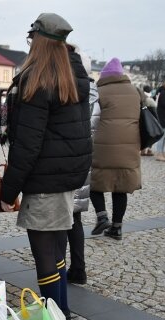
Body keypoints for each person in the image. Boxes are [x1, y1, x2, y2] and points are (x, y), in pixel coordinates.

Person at [0, 13, 91, 320]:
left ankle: (57, 318)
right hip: (65, 178)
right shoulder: (71, 75)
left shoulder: (38, 80)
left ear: (37, 41)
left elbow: (28, 145)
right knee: (55, 252)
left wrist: (8, 189)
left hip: (44, 179)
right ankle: (61, 312)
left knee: (45, 255)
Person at [89, 57, 141, 241]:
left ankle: (102, 216)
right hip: (129, 147)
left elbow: (91, 120)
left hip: (102, 146)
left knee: (95, 182)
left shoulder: (98, 91)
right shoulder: (135, 92)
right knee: (121, 188)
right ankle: (117, 228)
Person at [66, 47, 96, 285]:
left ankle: (65, 268)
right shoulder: (94, 93)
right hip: (86, 161)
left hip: (68, 161)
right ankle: (79, 268)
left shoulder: (72, 91)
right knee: (75, 218)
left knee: (65, 218)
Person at [140, 85, 157, 156]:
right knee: (151, 134)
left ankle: (143, 149)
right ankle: (148, 149)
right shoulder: (149, 99)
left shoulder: (140, 96)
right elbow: (155, 107)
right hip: (149, 118)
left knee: (143, 134)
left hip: (141, 118)